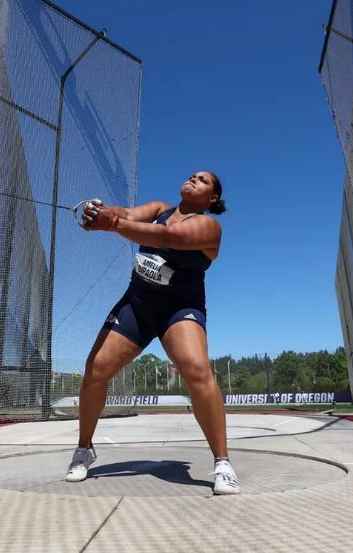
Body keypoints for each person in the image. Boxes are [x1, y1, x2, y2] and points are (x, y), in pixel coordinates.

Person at [68, 171, 239, 495]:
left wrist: (112, 224)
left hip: (179, 308)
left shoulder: (209, 228)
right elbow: (128, 215)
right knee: (95, 371)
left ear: (211, 199)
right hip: (137, 304)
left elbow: (167, 239)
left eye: (202, 180)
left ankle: (222, 463)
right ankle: (84, 448)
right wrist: (99, 211)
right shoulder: (159, 208)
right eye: (192, 175)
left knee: (197, 370)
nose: (193, 178)